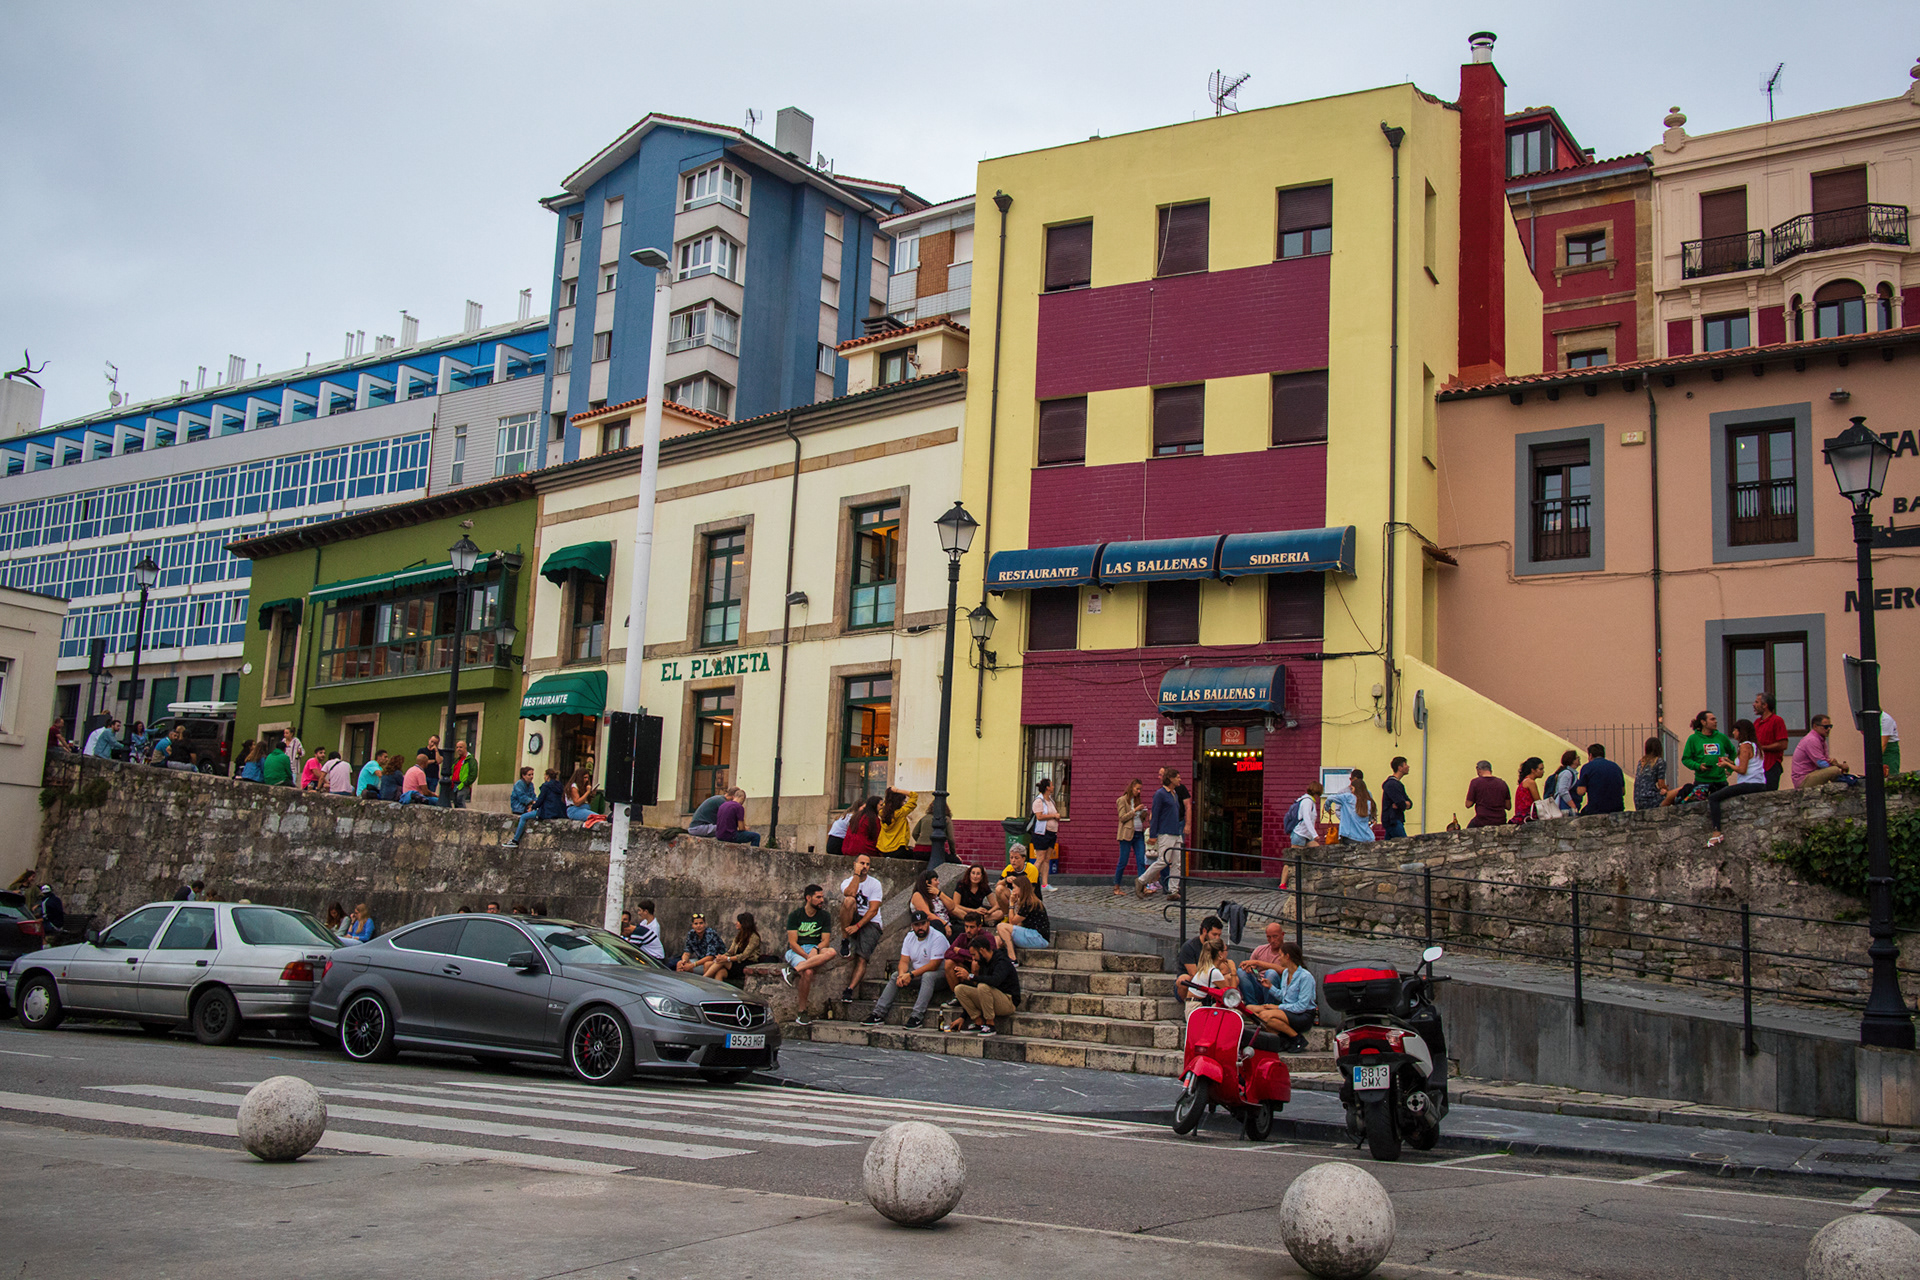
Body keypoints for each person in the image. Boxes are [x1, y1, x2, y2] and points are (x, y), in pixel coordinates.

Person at [866, 910, 950, 1028]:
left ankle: (917, 1016)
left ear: (928, 923)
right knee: (895, 975)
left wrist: (910, 975)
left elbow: (934, 965)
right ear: (912, 926)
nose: (920, 927)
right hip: (919, 975)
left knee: (928, 976)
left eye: (922, 924)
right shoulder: (909, 937)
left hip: (941, 976)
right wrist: (902, 975)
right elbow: (904, 961)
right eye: (917, 925)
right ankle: (878, 1014)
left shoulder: (937, 938)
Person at [1243, 938, 1317, 1048]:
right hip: (1288, 1009)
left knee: (1264, 1016)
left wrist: (1277, 1008)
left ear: (1288, 957)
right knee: (1249, 1009)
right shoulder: (1286, 973)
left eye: (1281, 955)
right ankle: (1282, 1039)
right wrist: (1270, 987)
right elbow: (1283, 995)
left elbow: (1302, 1006)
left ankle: (1297, 1038)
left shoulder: (1305, 977)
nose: (1279, 958)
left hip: (1303, 1014)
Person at [782, 884, 840, 1024]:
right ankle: (802, 1011)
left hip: (816, 948)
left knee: (832, 951)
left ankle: (792, 971)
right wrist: (808, 957)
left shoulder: (824, 916)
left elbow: (825, 941)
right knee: (807, 972)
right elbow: (793, 943)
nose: (822, 900)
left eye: (822, 897)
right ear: (808, 898)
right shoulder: (795, 915)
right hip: (797, 950)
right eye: (818, 897)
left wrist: (815, 948)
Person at [1707, 719, 1770, 848]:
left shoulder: (1744, 746)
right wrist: (1729, 761)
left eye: (1735, 730)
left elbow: (1742, 769)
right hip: (1758, 783)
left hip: (1750, 783)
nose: (1733, 733)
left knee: (1713, 798)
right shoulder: (1754, 745)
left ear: (1740, 732)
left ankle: (1716, 831)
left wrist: (1726, 764)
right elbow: (1744, 764)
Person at [949, 932, 1020, 1035]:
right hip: (991, 999)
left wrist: (971, 976)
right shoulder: (982, 962)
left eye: (974, 954)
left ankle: (990, 1025)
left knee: (983, 986)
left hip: (1008, 1001)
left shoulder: (1002, 960)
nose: (973, 958)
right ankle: (978, 1022)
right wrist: (962, 1017)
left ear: (981, 950)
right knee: (959, 989)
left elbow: (995, 980)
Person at [838, 853, 886, 1001]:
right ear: (855, 864)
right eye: (862, 863)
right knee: (849, 901)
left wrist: (857, 927)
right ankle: (845, 940)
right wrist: (856, 876)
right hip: (854, 916)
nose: (865, 866)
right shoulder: (847, 882)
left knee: (862, 957)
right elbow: (850, 893)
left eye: (867, 864)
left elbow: (873, 910)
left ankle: (850, 989)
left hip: (870, 922)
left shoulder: (875, 884)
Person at [1137, 767, 1185, 900]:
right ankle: (1141, 880)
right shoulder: (1160, 794)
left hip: (1175, 832)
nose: (1180, 779)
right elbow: (1155, 815)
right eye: (1177, 777)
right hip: (1165, 832)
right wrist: (1153, 835)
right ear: (1171, 779)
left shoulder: (1174, 794)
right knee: (1163, 860)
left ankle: (1173, 891)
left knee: (1177, 863)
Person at [1679, 710, 1737, 799]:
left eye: (1715, 719)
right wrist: (1698, 766)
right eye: (1712, 719)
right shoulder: (1693, 739)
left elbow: (1733, 753)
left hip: (1720, 781)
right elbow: (1686, 759)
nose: (1716, 721)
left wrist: (1729, 769)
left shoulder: (1721, 737)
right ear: (1703, 722)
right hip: (1702, 781)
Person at [995, 874, 1051, 963]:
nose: (1013, 891)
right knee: (998, 939)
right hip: (1032, 935)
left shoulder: (1029, 903)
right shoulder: (1027, 901)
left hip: (1038, 938)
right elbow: (1018, 923)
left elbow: (1012, 921)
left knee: (1001, 926)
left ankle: (1012, 958)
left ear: (1021, 888)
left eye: (1014, 888)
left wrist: (1011, 904)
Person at [1175, 916, 1226, 1001]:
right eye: (1214, 934)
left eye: (1219, 935)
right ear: (1204, 931)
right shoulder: (1189, 947)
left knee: (1230, 977)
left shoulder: (1218, 946)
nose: (1217, 938)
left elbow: (1225, 969)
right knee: (1184, 979)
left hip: (1210, 980)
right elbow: (1195, 974)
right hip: (1193, 983)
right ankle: (1187, 1003)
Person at [1182, 936, 1236, 1015]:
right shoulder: (1214, 972)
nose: (1227, 953)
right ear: (1220, 954)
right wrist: (1233, 971)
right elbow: (1232, 996)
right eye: (1226, 950)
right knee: (1235, 1011)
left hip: (1193, 1006)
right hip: (1196, 1009)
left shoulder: (1208, 968)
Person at [704, 913, 763, 986]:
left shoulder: (754, 937)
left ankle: (703, 980)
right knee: (712, 966)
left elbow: (744, 956)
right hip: (734, 962)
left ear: (744, 923)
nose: (736, 923)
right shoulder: (739, 936)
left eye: (738, 921)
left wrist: (727, 959)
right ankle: (715, 993)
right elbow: (730, 951)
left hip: (745, 963)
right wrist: (722, 956)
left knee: (723, 961)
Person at [1791, 714, 1847, 789]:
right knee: (1834, 771)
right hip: (1803, 779)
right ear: (1815, 726)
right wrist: (1838, 766)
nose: (1829, 729)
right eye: (1826, 727)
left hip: (1810, 775)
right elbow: (1821, 763)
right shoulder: (1812, 740)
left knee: (1835, 771)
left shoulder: (1821, 740)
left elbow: (1826, 761)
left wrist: (1835, 764)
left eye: (1830, 726)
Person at [1113, 778, 1149, 893]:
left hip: (1139, 833)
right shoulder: (1122, 800)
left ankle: (1142, 887)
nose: (1139, 791)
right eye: (1137, 789)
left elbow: (1140, 819)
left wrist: (1143, 813)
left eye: (1140, 789)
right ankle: (1116, 886)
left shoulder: (1137, 800)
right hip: (1127, 834)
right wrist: (1135, 811)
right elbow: (1122, 817)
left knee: (1141, 861)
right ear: (1131, 788)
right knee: (1123, 861)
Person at [1575, 743, 1627, 815]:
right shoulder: (1616, 767)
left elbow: (1581, 792)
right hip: (1617, 808)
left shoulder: (1587, 767)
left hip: (1596, 809)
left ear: (1590, 755)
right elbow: (1623, 791)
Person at [1752, 692, 1790, 790]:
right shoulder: (1756, 723)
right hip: (1758, 767)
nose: (1754, 705)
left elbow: (1783, 744)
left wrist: (1762, 747)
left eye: (1757, 702)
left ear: (1765, 705)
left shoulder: (1777, 721)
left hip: (1771, 765)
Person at [1464, 761, 1510, 827]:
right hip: (1500, 820)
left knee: (1468, 832)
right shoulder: (1502, 783)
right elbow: (1508, 806)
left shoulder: (1475, 782)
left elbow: (1468, 804)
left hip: (1482, 820)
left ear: (1478, 770)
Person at [910, 869, 951, 938]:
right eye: (935, 880)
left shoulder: (937, 894)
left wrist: (940, 893)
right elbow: (927, 914)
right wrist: (945, 924)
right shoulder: (917, 895)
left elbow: (952, 907)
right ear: (927, 882)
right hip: (934, 926)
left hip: (947, 924)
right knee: (937, 924)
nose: (938, 882)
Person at [876, 788, 919, 856]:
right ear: (899, 802)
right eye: (903, 801)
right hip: (898, 847)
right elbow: (914, 795)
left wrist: (890, 793)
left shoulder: (882, 813)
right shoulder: (901, 813)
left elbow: (888, 802)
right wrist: (897, 790)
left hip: (883, 848)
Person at [1028, 777, 1060, 866]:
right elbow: (1039, 816)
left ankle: (1045, 880)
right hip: (1042, 833)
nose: (1053, 787)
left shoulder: (1051, 801)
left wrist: (1056, 817)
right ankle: (1031, 878)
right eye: (1052, 785)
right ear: (1047, 788)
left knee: (1046, 859)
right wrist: (1053, 816)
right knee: (1040, 858)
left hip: (1052, 833)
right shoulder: (1039, 801)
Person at [1633, 737, 1670, 811]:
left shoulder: (1641, 762)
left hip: (1637, 800)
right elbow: (1661, 784)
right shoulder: (1659, 761)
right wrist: (1666, 789)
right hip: (1650, 799)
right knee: (1674, 793)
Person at [1380, 757, 1412, 839]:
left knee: (1388, 847)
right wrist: (1404, 804)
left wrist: (1405, 804)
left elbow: (1409, 803)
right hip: (1393, 820)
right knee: (1404, 844)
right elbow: (1401, 803)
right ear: (1400, 768)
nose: (1408, 767)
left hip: (1393, 820)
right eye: (1405, 765)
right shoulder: (1392, 784)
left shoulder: (1398, 784)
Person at [1511, 757, 1545, 825]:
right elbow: (1538, 801)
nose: (1543, 771)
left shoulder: (1525, 781)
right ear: (1533, 770)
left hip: (1521, 816)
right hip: (1527, 816)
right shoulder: (1530, 782)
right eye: (1540, 769)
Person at [1546, 749, 1580, 815]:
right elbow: (1563, 791)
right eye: (1577, 757)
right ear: (1572, 760)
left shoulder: (1571, 773)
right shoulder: (1567, 773)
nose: (1578, 758)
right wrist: (1573, 806)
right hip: (1564, 808)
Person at [451, 740, 476, 808]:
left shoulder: (470, 760)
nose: (458, 749)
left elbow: (473, 773)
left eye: (460, 747)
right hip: (455, 784)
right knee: (455, 802)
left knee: (460, 800)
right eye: (457, 747)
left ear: (465, 748)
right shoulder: (457, 760)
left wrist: (466, 782)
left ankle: (463, 817)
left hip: (463, 784)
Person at [1882, 710, 1902, 779]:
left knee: (1890, 777)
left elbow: (1883, 743)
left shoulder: (1885, 719)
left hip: (1889, 750)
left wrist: (1874, 761)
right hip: (1876, 748)